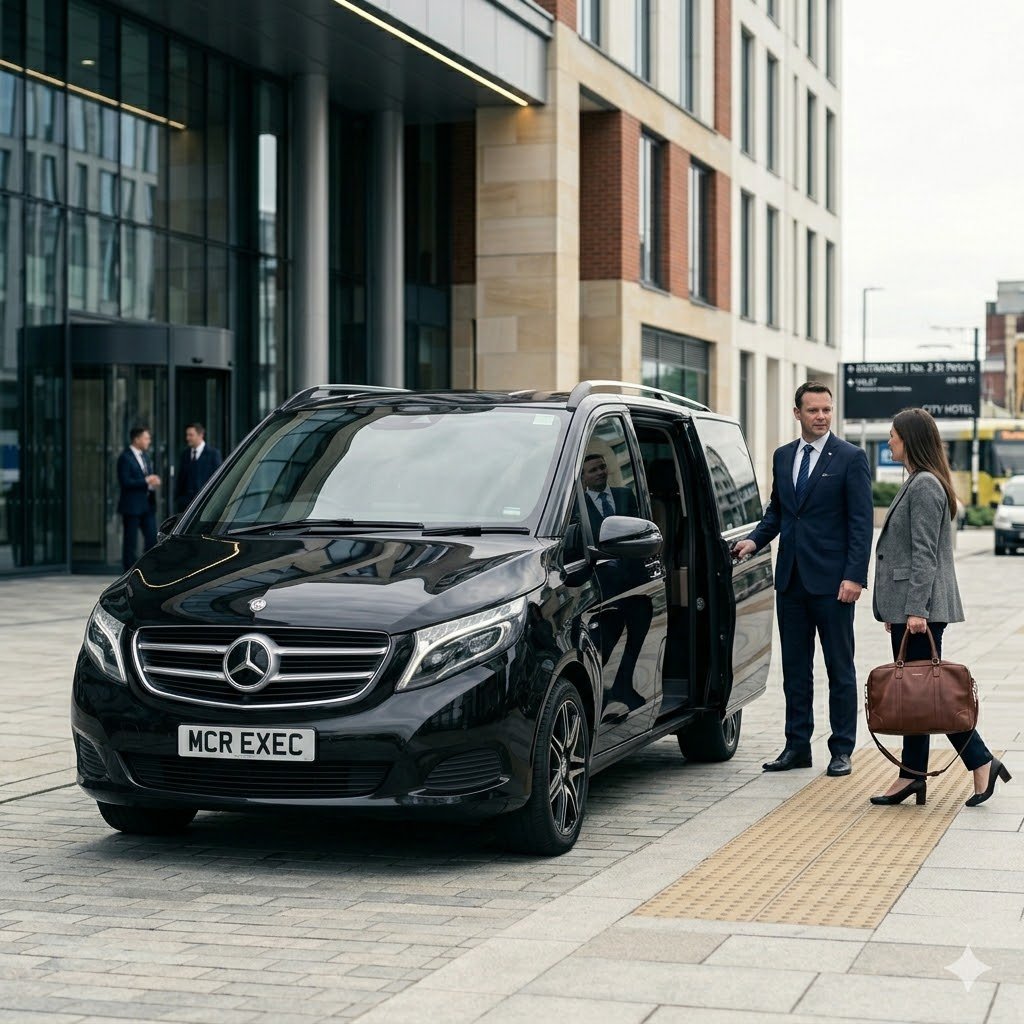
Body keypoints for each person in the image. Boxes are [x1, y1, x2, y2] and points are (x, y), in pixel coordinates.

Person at [869, 408, 1011, 808]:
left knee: (931, 695)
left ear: (909, 439)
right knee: (919, 695)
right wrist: (898, 609)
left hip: (923, 609)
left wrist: (914, 610)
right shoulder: (918, 481)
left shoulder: (926, 485)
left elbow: (925, 556)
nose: (890, 443)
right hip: (912, 608)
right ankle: (912, 776)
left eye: (894, 436)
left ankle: (981, 761)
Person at [732, 382, 873, 777]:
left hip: (833, 585)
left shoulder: (850, 458)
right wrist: (753, 541)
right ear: (797, 413)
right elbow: (778, 512)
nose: (822, 416)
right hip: (791, 581)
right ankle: (797, 746)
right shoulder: (783, 457)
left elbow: (861, 525)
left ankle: (842, 749)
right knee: (795, 670)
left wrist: (854, 577)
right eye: (813, 410)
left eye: (827, 410)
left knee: (839, 669)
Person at [117, 426, 161, 572]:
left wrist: (152, 483)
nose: (149, 441)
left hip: (147, 505)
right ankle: (127, 573)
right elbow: (125, 482)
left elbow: (145, 479)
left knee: (151, 539)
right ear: (137, 439)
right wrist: (147, 481)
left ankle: (147, 570)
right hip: (132, 506)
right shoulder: (125, 457)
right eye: (146, 438)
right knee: (130, 542)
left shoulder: (145, 457)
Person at [174, 422, 223, 513]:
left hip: (205, 505)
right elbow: (181, 479)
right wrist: (178, 499)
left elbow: (218, 479)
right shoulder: (185, 454)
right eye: (187, 435)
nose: (187, 438)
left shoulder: (213, 454)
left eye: (191, 435)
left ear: (201, 435)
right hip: (185, 505)